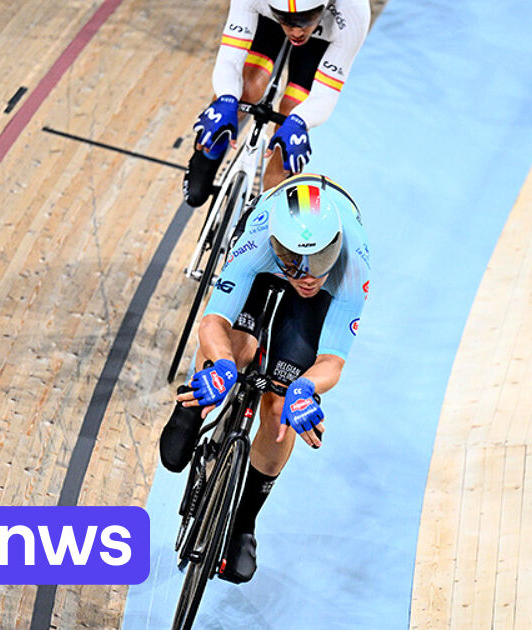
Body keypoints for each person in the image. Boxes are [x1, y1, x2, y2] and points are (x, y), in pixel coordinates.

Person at [160, 173, 370, 583]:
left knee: (280, 411)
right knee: (237, 349)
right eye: (297, 263)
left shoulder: (351, 263)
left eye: (319, 261)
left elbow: (332, 361)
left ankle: (243, 524)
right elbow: (213, 321)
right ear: (277, 245)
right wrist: (221, 364)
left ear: (335, 248)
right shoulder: (258, 242)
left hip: (314, 286)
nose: (308, 275)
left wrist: (305, 390)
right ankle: (192, 408)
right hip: (264, 270)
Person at [184, 0, 370, 207]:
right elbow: (229, 60)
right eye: (286, 20)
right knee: (248, 88)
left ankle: (266, 211)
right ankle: (210, 151)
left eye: (305, 19)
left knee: (292, 116)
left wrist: (300, 121)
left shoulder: (353, 12)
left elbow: (325, 94)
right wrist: (226, 99)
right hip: (266, 19)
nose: (295, 30)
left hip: (325, 31)